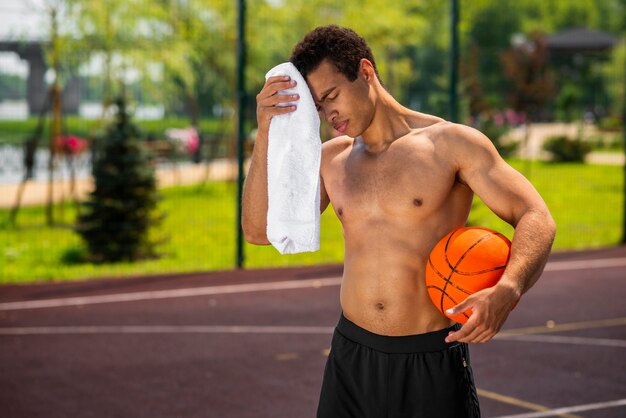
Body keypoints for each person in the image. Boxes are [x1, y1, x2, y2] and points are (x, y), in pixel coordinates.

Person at [242, 25, 556, 418]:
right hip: (351, 358)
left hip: (430, 358)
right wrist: (265, 132)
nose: (329, 114)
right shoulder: (332, 160)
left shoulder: (451, 144)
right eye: (319, 108)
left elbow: (536, 216)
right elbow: (256, 232)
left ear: (366, 71)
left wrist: (509, 289)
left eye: (332, 96)